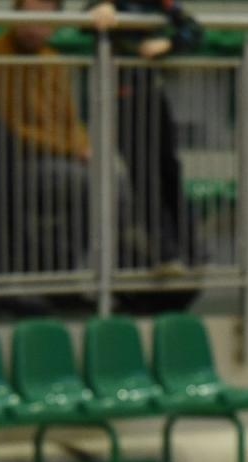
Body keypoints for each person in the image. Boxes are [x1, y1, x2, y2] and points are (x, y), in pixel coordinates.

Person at [0, 0, 94, 274]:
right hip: (16, 163)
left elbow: (72, 119)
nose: (35, 28)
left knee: (115, 176)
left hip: (60, 156)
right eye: (29, 18)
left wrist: (84, 146)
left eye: (43, 21)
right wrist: (70, 149)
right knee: (92, 185)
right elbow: (9, 127)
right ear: (16, 16)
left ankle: (65, 269)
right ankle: (55, 269)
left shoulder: (53, 60)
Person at [87, 0, 202, 273]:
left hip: (153, 93)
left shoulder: (159, 4)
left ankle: (191, 249)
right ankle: (166, 252)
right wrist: (101, 10)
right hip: (121, 96)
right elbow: (88, 19)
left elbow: (194, 30)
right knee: (143, 173)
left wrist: (170, 45)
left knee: (170, 169)